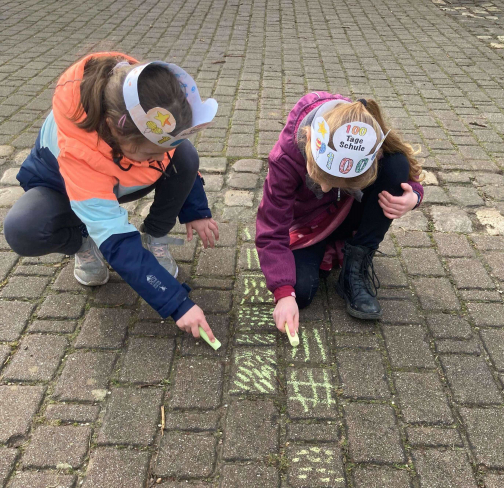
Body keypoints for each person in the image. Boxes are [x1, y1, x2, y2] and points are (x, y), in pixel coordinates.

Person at [4, 52, 220, 340]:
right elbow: (118, 242)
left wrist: (195, 210)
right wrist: (177, 303)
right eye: (152, 153)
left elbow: (174, 155)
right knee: (23, 229)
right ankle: (83, 240)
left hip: (119, 176)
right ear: (114, 128)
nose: (162, 158)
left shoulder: (141, 106)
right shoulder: (81, 152)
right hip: (61, 188)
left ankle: (155, 235)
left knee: (185, 156)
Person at [255, 93, 424, 333]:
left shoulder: (362, 130)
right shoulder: (285, 158)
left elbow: (406, 170)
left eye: (336, 183)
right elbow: (271, 229)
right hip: (310, 226)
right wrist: (283, 294)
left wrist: (413, 195)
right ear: (309, 139)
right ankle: (326, 250)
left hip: (348, 215)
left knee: (396, 164)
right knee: (299, 292)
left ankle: (355, 265)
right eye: (318, 180)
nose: (324, 189)